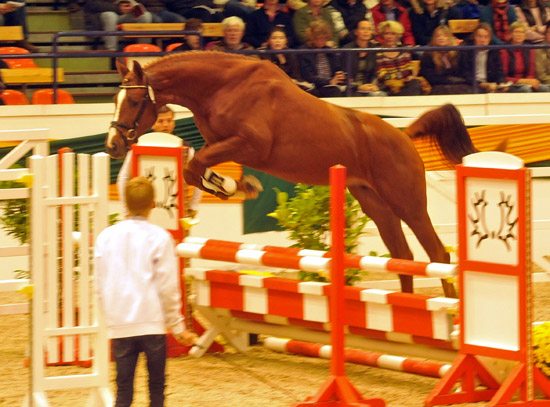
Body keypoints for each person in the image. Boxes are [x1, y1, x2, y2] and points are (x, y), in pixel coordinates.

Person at [94, 176, 196, 407]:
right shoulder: (161, 237)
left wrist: (110, 317)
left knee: (123, 391)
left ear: (125, 203)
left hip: (120, 323)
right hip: (152, 322)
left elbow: (99, 284)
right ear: (153, 204)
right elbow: (168, 286)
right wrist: (178, 326)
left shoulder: (105, 237)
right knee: (157, 389)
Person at [118, 105, 203, 218]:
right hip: (144, 214)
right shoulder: (139, 147)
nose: (166, 125)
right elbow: (123, 178)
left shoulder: (186, 149)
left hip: (177, 214)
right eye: (161, 121)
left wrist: (194, 206)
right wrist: (126, 211)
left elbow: (199, 176)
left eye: (169, 120)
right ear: (152, 124)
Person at [376, 20, 430, 95]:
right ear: (382, 35)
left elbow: (409, 70)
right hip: (388, 86)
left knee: (414, 83)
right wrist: (397, 79)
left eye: (393, 34)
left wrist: (410, 77)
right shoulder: (378, 53)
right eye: (386, 33)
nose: (390, 36)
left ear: (397, 35)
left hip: (405, 83)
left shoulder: (404, 51)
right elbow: (382, 75)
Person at [419, 25, 474, 94]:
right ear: (434, 38)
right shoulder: (428, 54)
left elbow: (465, 71)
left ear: (450, 38)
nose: (441, 38)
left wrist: (465, 81)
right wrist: (449, 80)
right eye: (438, 36)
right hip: (438, 85)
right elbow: (429, 76)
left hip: (459, 84)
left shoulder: (458, 52)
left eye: (445, 36)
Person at [298, 20, 346, 97]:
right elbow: (309, 76)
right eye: (320, 39)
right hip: (316, 86)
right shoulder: (304, 51)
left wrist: (340, 75)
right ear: (313, 38)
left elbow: (337, 68)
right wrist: (329, 81)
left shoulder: (329, 50)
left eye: (325, 38)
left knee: (350, 89)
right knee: (334, 91)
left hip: (332, 84)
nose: (324, 41)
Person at [83, 0, 154, 51]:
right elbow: (93, 4)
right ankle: (111, 52)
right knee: (111, 16)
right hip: (103, 15)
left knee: (146, 16)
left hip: (125, 15)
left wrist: (132, 5)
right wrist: (118, 8)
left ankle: (143, 50)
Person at [500, 21, 550, 91]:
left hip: (527, 82)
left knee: (546, 88)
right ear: (511, 34)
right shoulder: (504, 51)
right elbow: (503, 76)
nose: (519, 34)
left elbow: (531, 73)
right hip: (511, 84)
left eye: (522, 32)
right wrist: (522, 81)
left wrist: (529, 81)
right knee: (526, 89)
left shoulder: (530, 50)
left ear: (525, 35)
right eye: (516, 32)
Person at [462, 22, 508, 92]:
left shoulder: (494, 51)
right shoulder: (466, 50)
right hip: (472, 85)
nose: (483, 40)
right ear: (474, 37)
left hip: (491, 84)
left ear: (490, 39)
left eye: (486, 37)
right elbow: (465, 74)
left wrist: (501, 83)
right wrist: (482, 84)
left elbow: (499, 71)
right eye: (480, 36)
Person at [343, 19, 386, 95]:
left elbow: (377, 72)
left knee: (381, 95)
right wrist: (359, 87)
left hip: (370, 87)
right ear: (356, 32)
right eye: (362, 29)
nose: (366, 32)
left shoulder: (375, 49)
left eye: (369, 29)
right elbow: (344, 75)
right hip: (352, 88)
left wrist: (373, 86)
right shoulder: (347, 50)